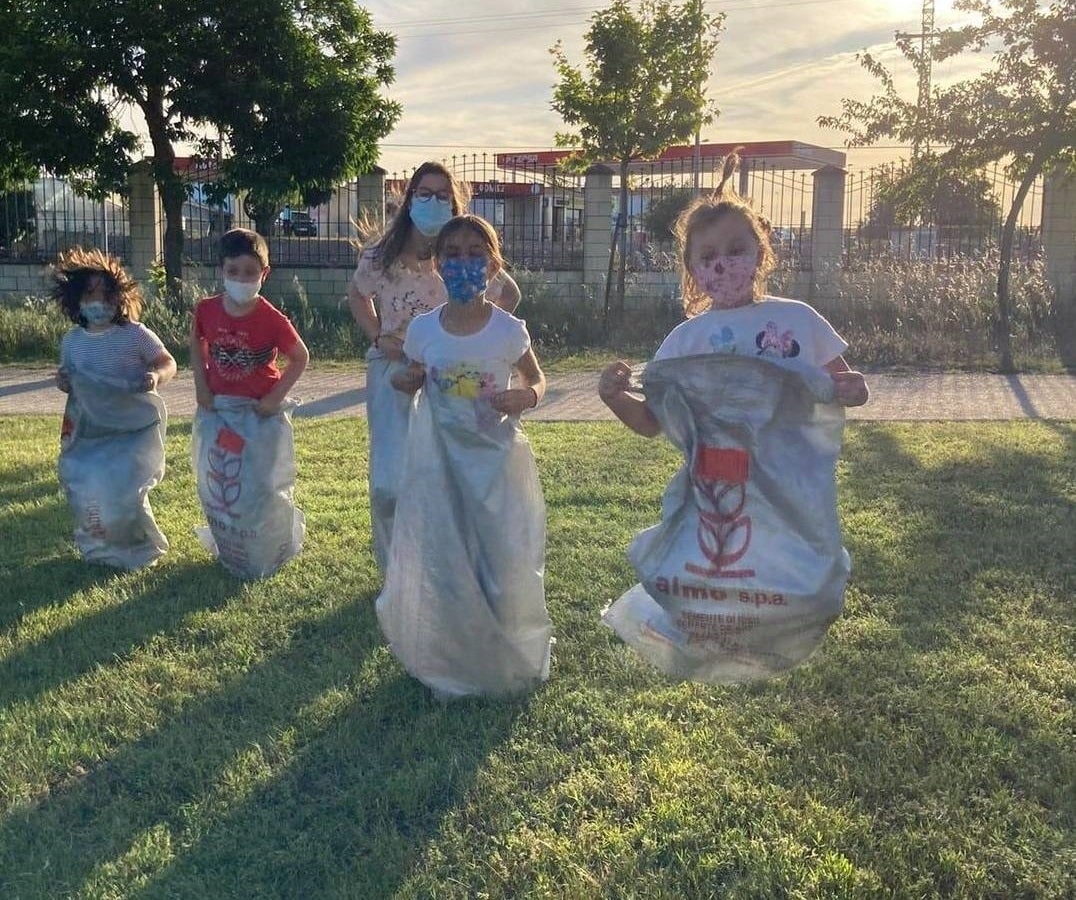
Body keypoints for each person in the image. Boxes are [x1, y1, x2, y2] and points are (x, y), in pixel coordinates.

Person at [375, 214, 552, 699]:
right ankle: (455, 652)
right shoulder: (424, 330)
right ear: (437, 264)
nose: (463, 263)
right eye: (452, 254)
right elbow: (408, 375)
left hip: (497, 465)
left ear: (493, 264)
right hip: (441, 464)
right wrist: (405, 380)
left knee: (500, 554)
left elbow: (536, 379)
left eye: (475, 254)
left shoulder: (508, 331)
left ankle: (505, 648)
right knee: (449, 556)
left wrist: (528, 397)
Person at [598, 152, 868, 431]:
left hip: (789, 472)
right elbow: (652, 422)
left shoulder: (799, 320)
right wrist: (614, 397)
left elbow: (844, 383)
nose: (722, 265)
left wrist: (856, 390)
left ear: (760, 254)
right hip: (716, 473)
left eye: (736, 251)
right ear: (692, 270)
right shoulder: (685, 342)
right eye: (708, 257)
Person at [348, 161, 522, 572]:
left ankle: (440, 563)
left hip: (448, 376)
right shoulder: (382, 255)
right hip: (393, 370)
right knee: (390, 481)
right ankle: (396, 569)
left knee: (446, 472)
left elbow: (509, 295)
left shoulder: (457, 256)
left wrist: (470, 339)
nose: (433, 201)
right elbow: (358, 296)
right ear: (409, 199)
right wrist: (378, 336)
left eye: (443, 195)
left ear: (455, 202)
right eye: (424, 193)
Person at [189, 228, 310, 578]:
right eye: (233, 272)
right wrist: (201, 387)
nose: (241, 279)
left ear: (264, 274)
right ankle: (230, 543)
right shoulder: (207, 310)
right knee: (220, 481)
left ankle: (269, 547)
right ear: (221, 271)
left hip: (259, 415)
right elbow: (197, 343)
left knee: (259, 483)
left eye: (249, 273)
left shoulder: (272, 319)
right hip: (219, 411)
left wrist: (274, 399)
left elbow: (300, 357)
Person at [53, 246, 176, 568]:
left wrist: (155, 375)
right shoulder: (72, 342)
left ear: (119, 297)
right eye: (90, 295)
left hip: (132, 427)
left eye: (106, 295)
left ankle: (140, 545)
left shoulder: (134, 335)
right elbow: (69, 378)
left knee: (127, 490)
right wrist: (63, 381)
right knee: (90, 487)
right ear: (76, 300)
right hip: (92, 430)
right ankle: (100, 545)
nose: (99, 302)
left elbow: (167, 362)